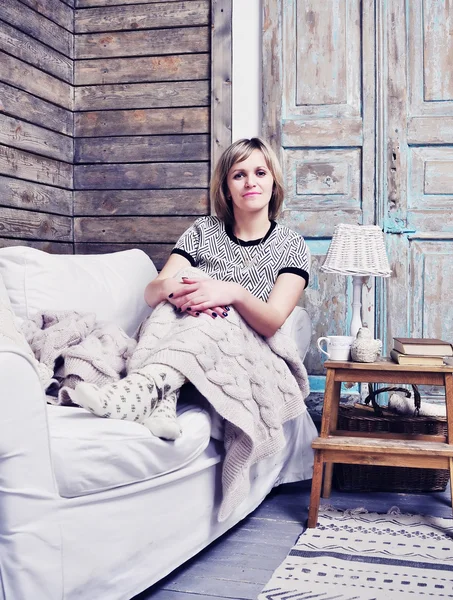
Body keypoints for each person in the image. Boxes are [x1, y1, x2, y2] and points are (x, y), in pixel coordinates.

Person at [72, 137, 310, 439]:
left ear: (274, 183)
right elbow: (153, 291)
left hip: (242, 343)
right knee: (172, 300)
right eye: (239, 175)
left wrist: (231, 293)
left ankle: (132, 395)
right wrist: (181, 293)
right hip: (179, 328)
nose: (250, 182)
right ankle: (161, 403)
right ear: (225, 188)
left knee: (213, 315)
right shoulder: (203, 230)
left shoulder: (292, 245)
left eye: (260, 173)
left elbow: (273, 320)